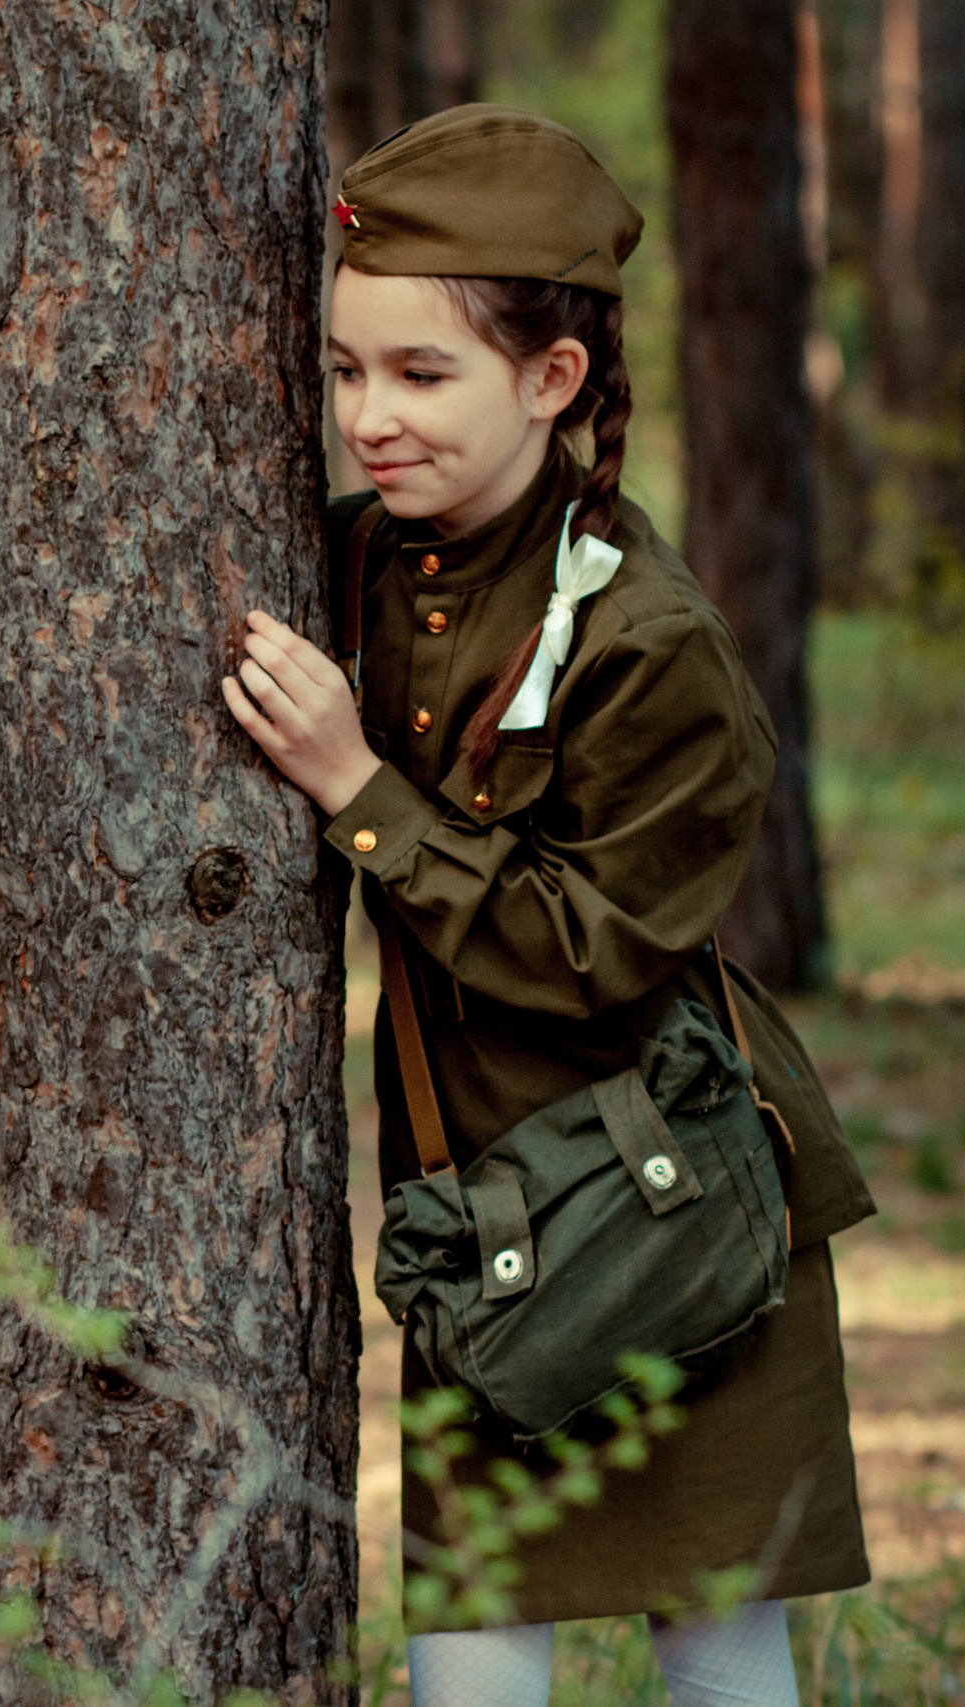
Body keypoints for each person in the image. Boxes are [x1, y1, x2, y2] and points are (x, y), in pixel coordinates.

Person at [220, 106, 877, 1707]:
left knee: (720, 1648)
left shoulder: (652, 641)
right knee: (472, 1665)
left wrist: (359, 789)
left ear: (553, 380)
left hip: (668, 1200)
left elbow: (591, 958)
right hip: (486, 1231)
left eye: (423, 376)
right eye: (348, 370)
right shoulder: (359, 563)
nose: (371, 417)